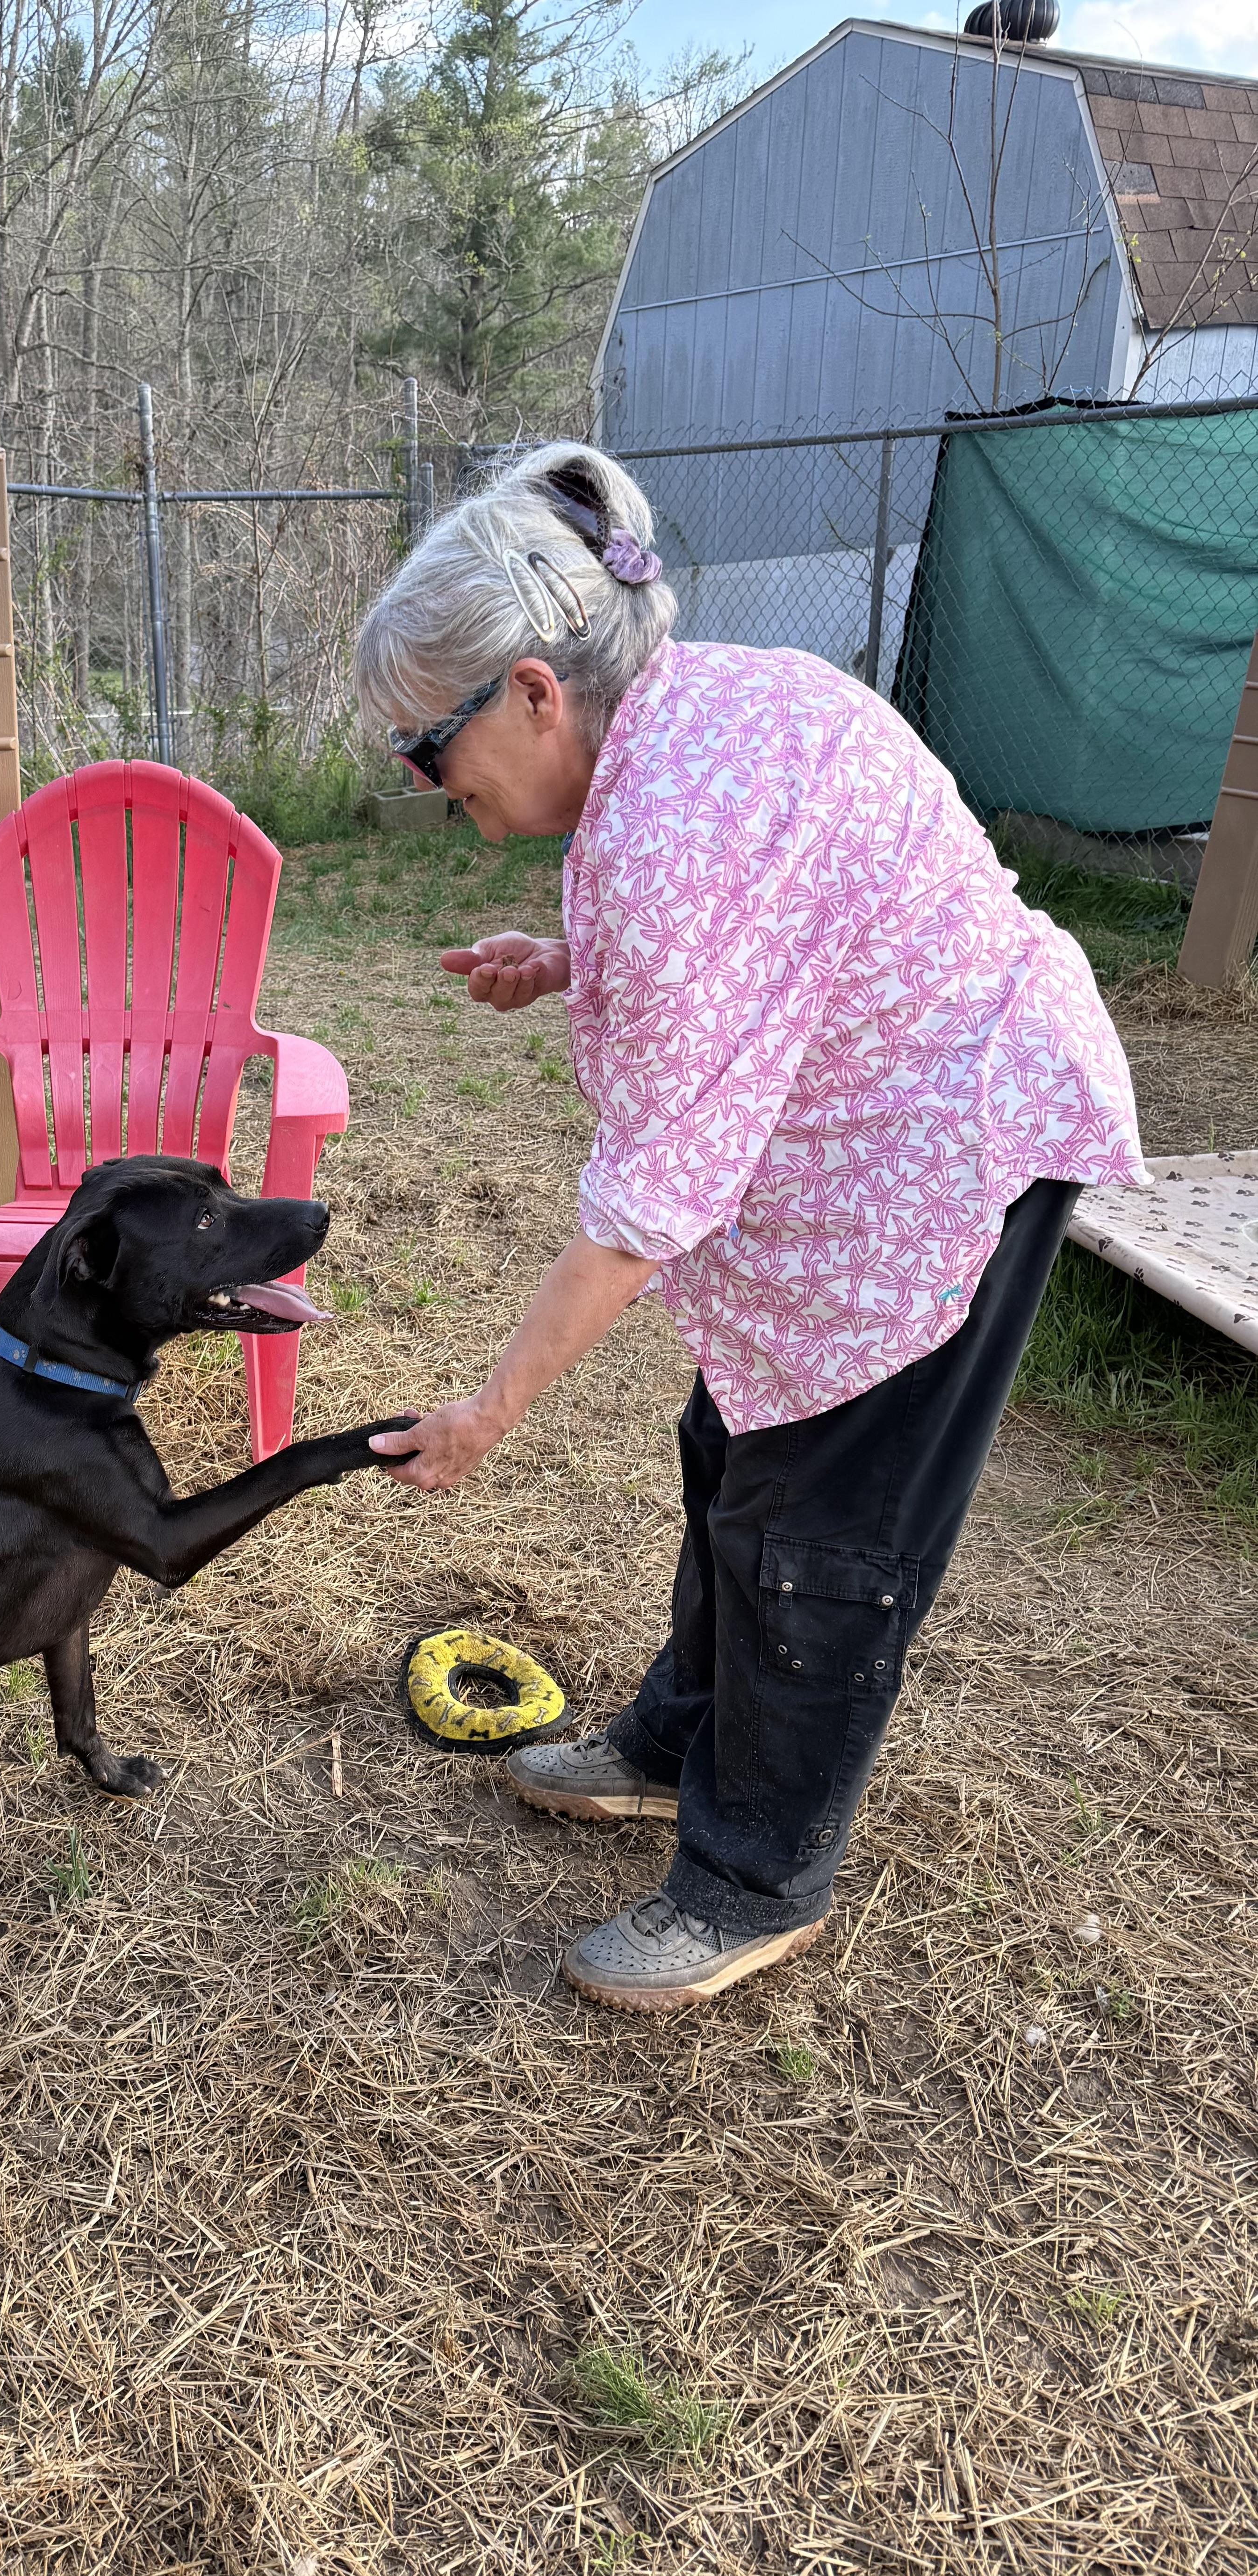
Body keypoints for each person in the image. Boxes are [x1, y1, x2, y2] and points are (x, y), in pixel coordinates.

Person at [356, 441, 1147, 2014]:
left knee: (817, 1531)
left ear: (529, 691)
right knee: (735, 1453)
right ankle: (670, 1745)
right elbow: (765, 932)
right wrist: (565, 957)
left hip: (942, 1160)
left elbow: (646, 1205)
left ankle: (753, 1876)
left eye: (423, 754)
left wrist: (491, 1407)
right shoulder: (690, 716)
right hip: (851, 1154)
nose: (428, 792)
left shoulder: (668, 836)